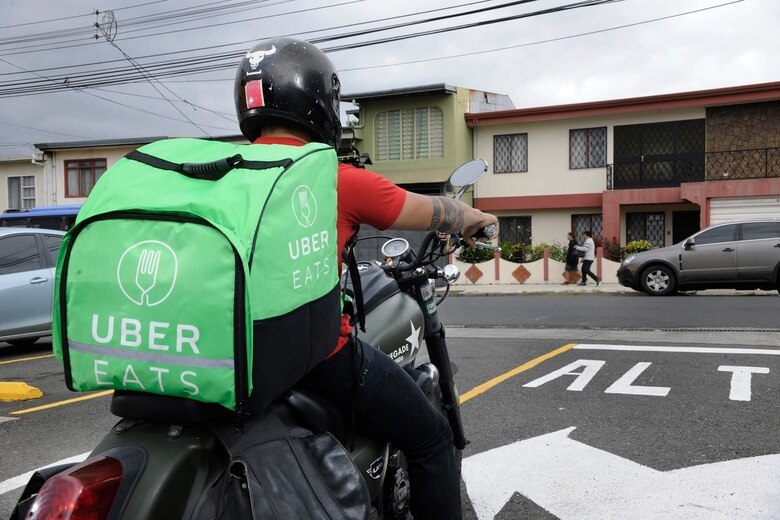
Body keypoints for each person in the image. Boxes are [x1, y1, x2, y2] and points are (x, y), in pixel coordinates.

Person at [234, 37, 498, 519]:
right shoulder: (333, 178)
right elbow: (432, 211)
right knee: (432, 438)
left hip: (228, 354)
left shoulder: (223, 176)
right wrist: (474, 217)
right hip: (312, 361)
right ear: (320, 103)